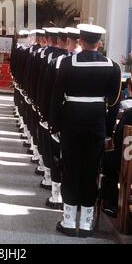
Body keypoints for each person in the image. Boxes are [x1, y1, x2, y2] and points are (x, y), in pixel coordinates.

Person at [51, 24, 121, 237]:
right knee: (92, 170)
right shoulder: (113, 66)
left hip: (71, 120)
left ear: (80, 41)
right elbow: (114, 104)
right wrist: (109, 132)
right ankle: (87, 221)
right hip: (96, 122)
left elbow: (56, 96)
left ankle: (70, 220)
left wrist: (55, 126)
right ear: (99, 43)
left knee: (70, 167)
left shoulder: (67, 63)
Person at [101, 78, 132, 217]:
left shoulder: (129, 113)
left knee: (108, 161)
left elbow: (119, 139)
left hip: (127, 160)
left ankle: (111, 203)